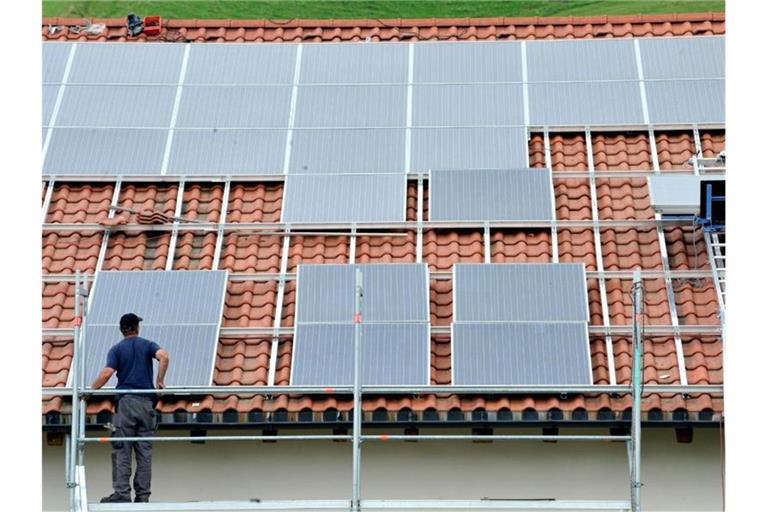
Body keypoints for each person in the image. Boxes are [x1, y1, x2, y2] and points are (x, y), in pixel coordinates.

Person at [88, 313, 169, 503]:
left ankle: (122, 494)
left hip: (125, 404)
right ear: (137, 328)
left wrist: (90, 391)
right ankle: (143, 497)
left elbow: (107, 373)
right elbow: (164, 356)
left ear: (121, 330)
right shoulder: (147, 344)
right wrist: (159, 381)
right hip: (147, 404)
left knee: (122, 448)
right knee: (144, 452)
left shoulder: (116, 350)